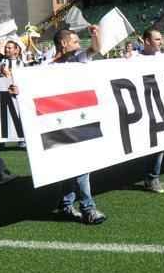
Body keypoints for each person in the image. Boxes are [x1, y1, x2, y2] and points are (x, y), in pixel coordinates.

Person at [14, 26, 106, 225]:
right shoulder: (44, 66)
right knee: (77, 166)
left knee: (75, 166)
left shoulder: (77, 59)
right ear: (63, 44)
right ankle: (88, 208)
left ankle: (66, 205)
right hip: (55, 122)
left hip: (78, 119)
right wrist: (18, 89)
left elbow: (95, 49)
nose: (78, 44)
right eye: (74, 41)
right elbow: (31, 88)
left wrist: (95, 35)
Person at [133, 27, 164, 193]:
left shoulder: (162, 57)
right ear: (147, 41)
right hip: (141, 110)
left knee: (160, 144)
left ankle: (153, 177)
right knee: (153, 144)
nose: (161, 42)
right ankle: (151, 178)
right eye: (157, 39)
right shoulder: (134, 59)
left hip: (158, 107)